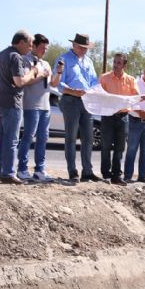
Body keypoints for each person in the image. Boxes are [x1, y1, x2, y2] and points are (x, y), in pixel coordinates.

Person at [0, 31, 37, 184]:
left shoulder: (0, 54)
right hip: (11, 103)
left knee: (2, 138)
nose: (30, 49)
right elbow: (19, 82)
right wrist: (32, 73)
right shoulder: (15, 57)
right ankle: (8, 173)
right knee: (11, 140)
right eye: (29, 45)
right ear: (20, 42)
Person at [52, 33, 101, 183]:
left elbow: (93, 81)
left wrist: (94, 91)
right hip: (70, 100)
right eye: (81, 47)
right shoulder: (63, 59)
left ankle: (87, 171)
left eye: (86, 48)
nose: (83, 50)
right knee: (71, 137)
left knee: (88, 137)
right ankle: (72, 171)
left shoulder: (89, 61)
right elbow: (59, 84)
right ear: (73, 45)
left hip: (87, 101)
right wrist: (73, 91)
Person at [17, 34, 56, 182]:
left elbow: (52, 83)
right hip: (31, 105)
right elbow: (25, 81)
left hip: (46, 106)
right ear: (33, 46)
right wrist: (40, 76)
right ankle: (22, 169)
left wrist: (57, 73)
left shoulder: (45, 64)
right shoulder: (25, 60)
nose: (44, 51)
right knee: (28, 137)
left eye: (46, 49)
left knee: (43, 138)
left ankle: (40, 169)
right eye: (42, 48)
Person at [98, 53, 138, 186]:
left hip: (123, 117)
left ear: (124, 65)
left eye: (119, 63)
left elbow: (136, 97)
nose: (115, 65)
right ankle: (105, 174)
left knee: (120, 147)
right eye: (114, 62)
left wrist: (136, 100)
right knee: (105, 146)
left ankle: (116, 175)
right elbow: (99, 95)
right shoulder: (104, 78)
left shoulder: (131, 80)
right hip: (108, 116)